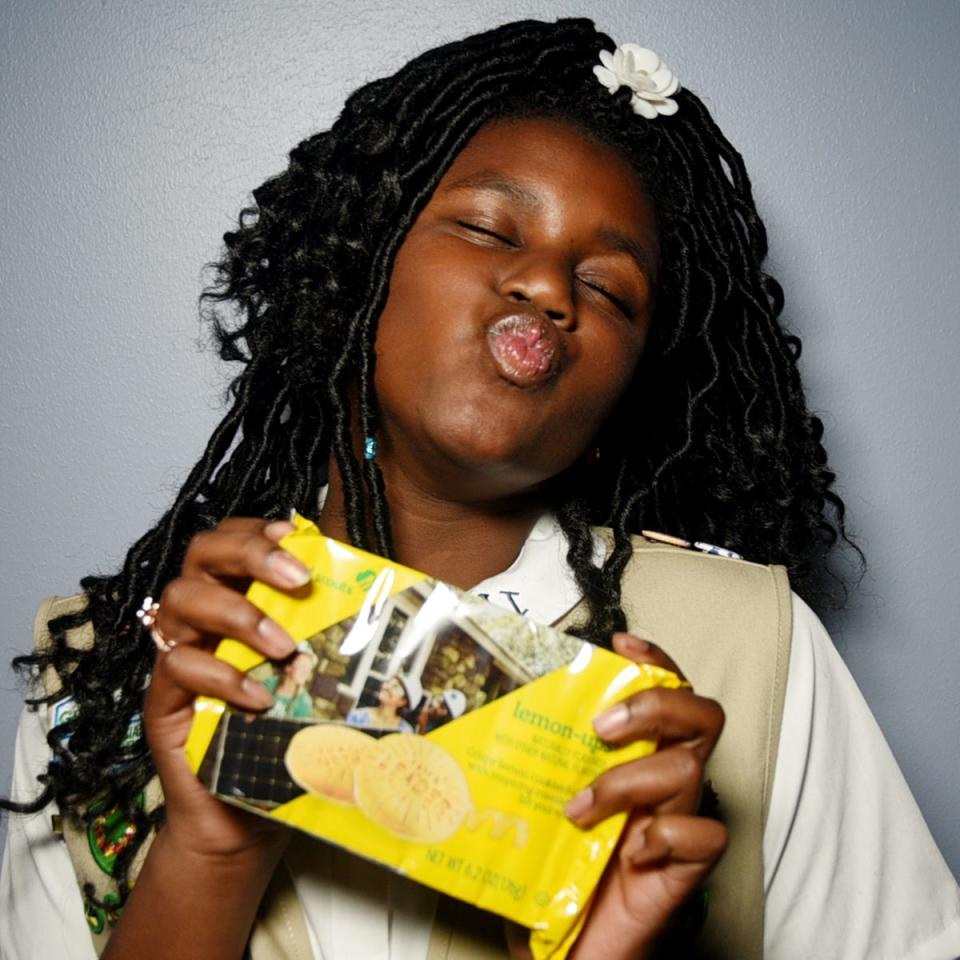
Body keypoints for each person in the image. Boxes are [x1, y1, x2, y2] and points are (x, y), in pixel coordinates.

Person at [2, 16, 959, 960]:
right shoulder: (106, 668)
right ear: (351, 279)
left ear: (616, 408)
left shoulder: (755, 649)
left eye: (611, 290)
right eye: (487, 227)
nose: (548, 286)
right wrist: (210, 852)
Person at [345, 674, 421, 732]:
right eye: (388, 682)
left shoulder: (405, 731)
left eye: (395, 686)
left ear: (403, 701)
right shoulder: (358, 717)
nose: (386, 686)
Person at [262, 644, 319, 720]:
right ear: (288, 666)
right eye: (302, 665)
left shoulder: (304, 703)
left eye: (309, 668)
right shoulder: (269, 684)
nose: (306, 672)